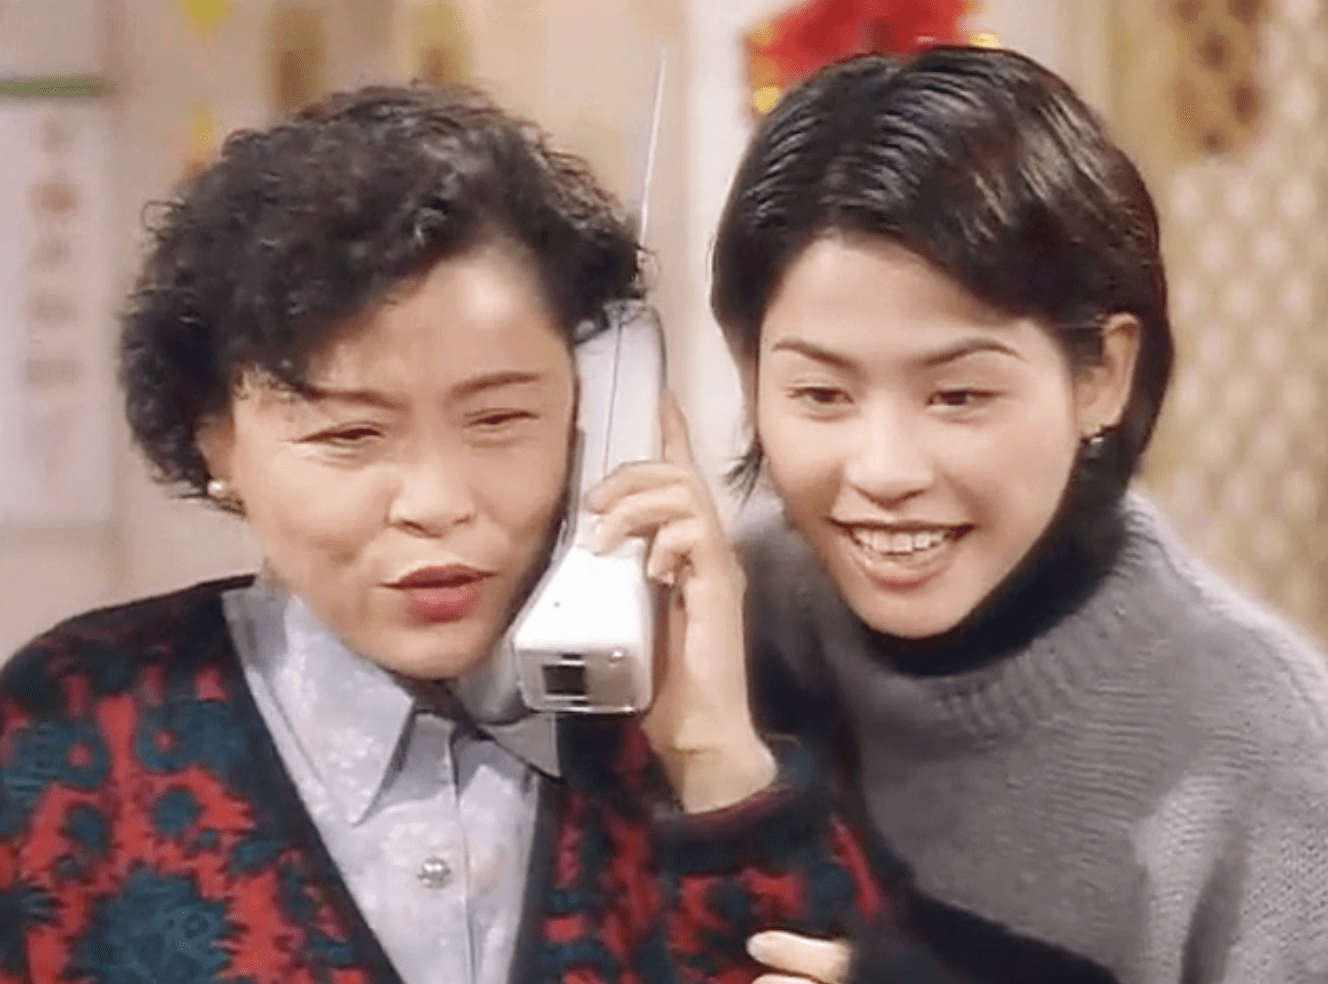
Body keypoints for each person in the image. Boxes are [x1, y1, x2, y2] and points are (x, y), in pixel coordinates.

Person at [0, 81, 1109, 984]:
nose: (436, 501)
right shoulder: (72, 731)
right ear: (214, 440)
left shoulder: (735, 718)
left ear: (597, 408)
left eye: (498, 420)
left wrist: (714, 763)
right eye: (350, 436)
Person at [712, 47, 1328, 984]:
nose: (883, 472)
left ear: (1102, 375)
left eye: (959, 395)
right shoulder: (735, 615)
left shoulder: (1265, 749)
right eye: (822, 395)